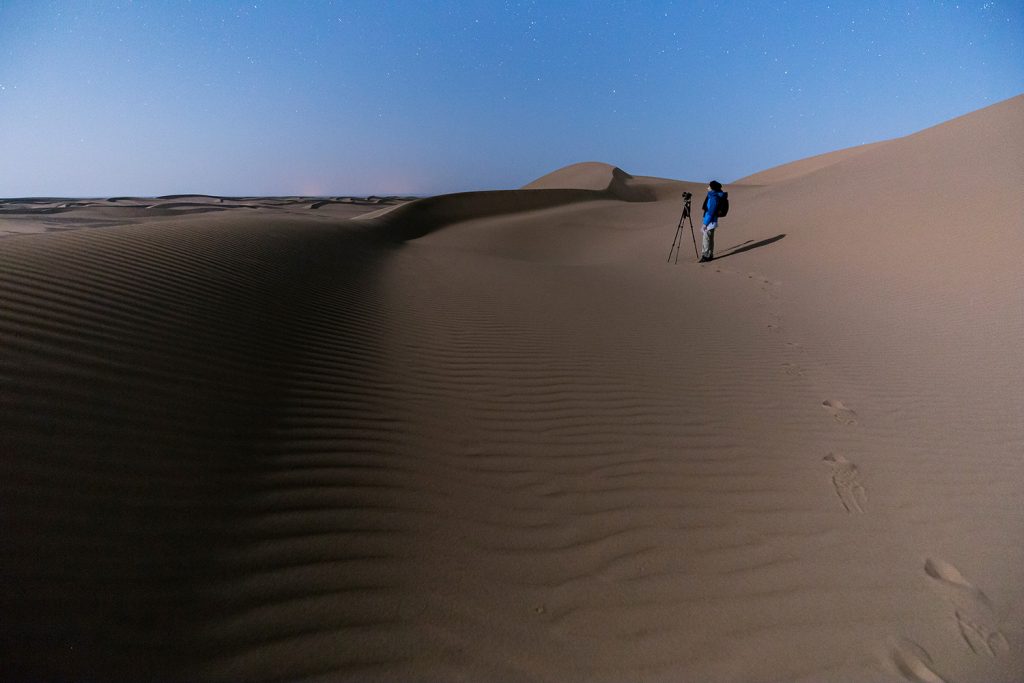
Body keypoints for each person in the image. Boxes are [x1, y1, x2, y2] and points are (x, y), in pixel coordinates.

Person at [700, 180, 727, 262]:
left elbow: (710, 212)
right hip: (712, 221)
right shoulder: (714, 196)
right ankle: (709, 255)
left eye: (709, 186)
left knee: (706, 239)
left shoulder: (713, 197)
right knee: (710, 239)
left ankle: (706, 256)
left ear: (712, 188)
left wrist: (705, 224)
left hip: (710, 222)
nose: (707, 187)